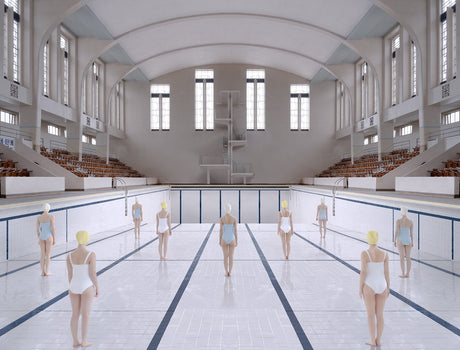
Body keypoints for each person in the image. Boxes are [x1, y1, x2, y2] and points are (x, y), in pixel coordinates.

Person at [66, 230, 99, 348]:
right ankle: (84, 341)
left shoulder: (69, 256)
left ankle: (75, 341)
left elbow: (70, 275)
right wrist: (97, 287)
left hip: (73, 286)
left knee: (75, 314)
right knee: (85, 314)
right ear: (87, 239)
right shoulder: (91, 254)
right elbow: (93, 273)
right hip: (86, 286)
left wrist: (73, 286)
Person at [359, 230, 390, 347]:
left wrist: (360, 287)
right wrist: (388, 287)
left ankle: (372, 340)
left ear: (368, 239)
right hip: (382, 285)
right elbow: (386, 272)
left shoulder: (364, 253)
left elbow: (363, 272)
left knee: (370, 314)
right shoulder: (385, 254)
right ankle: (379, 339)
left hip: (369, 285)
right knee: (380, 314)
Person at [36, 203, 55, 276]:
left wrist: (39, 238)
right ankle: (47, 271)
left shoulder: (39, 217)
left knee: (42, 255)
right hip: (49, 236)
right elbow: (53, 229)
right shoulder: (51, 217)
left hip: (41, 236)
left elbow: (37, 230)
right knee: (48, 255)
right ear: (49, 208)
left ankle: (42, 272)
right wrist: (54, 238)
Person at [394, 207, 414, 278]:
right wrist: (412, 241)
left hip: (400, 239)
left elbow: (397, 231)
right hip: (408, 240)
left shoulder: (398, 221)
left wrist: (394, 240)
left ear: (401, 212)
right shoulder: (411, 221)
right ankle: (407, 274)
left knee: (402, 258)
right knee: (408, 257)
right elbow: (411, 233)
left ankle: (403, 273)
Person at [219, 203, 238, 276]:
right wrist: (236, 240)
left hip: (224, 238)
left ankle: (226, 272)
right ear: (230, 209)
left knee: (225, 256)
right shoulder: (234, 218)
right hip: (232, 238)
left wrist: (220, 239)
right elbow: (235, 230)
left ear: (224, 209)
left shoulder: (222, 218)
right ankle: (230, 272)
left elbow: (221, 230)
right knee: (231, 256)